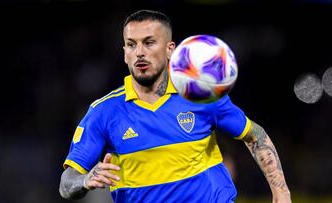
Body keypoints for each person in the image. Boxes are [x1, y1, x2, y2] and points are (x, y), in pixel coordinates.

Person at [59, 9, 291, 203]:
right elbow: (66, 183)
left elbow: (254, 135)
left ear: (171, 49)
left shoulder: (200, 93)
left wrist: (281, 192)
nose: (139, 52)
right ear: (125, 54)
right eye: (131, 45)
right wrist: (85, 179)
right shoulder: (104, 112)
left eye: (149, 43)